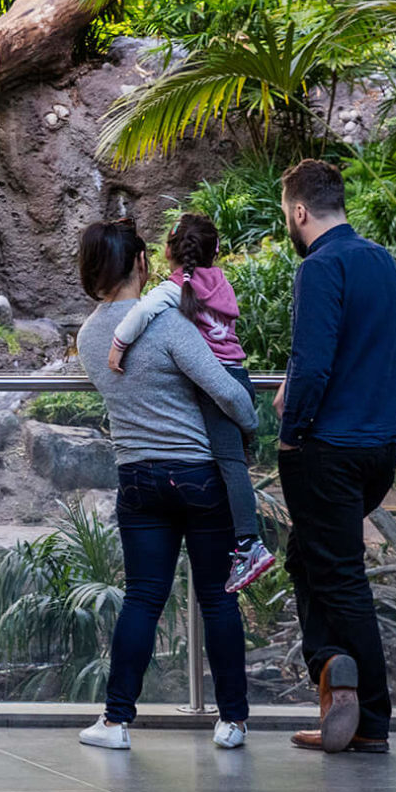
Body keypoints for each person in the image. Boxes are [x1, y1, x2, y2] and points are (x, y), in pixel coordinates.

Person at [74, 219, 256, 751]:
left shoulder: (88, 337)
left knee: (143, 598)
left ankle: (114, 722)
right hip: (197, 475)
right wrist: (249, 421)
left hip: (136, 477)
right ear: (140, 264)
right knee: (218, 599)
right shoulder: (170, 323)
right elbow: (228, 393)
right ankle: (232, 721)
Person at [274, 158, 396, 756]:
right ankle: (336, 675)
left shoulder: (320, 267)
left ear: (299, 211)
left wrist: (291, 432)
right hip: (379, 448)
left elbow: (314, 361)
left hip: (328, 449)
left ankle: (368, 715)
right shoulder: (382, 262)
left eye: (287, 215)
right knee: (308, 556)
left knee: (341, 575)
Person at [108, 210, 271, 592]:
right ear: (215, 250)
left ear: (167, 251)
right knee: (233, 463)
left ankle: (249, 543)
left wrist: (118, 345)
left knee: (231, 466)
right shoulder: (220, 283)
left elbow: (141, 312)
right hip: (238, 376)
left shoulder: (175, 289)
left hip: (218, 388)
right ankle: (244, 540)